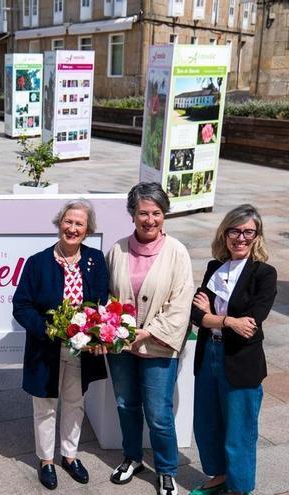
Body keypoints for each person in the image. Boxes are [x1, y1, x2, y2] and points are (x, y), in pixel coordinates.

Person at [97, 182, 195, 495]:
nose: (149, 219)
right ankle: (132, 458)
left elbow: (181, 302)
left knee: (159, 414)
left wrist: (149, 331)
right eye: (143, 213)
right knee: (126, 404)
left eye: (156, 213)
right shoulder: (118, 249)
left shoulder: (177, 252)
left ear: (164, 215)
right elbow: (107, 295)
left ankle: (166, 470)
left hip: (158, 345)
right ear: (132, 215)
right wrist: (113, 327)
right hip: (122, 345)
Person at [12, 199, 109, 491]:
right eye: (68, 221)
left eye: (79, 224)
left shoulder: (95, 259)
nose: (73, 228)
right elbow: (21, 306)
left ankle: (69, 455)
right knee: (45, 406)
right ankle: (46, 460)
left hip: (81, 349)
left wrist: (96, 333)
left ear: (87, 230)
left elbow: (101, 301)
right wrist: (47, 329)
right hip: (47, 348)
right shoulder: (38, 262)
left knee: (75, 402)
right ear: (59, 223)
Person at [189, 204, 278, 495]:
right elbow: (195, 314)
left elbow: (250, 324)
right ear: (224, 234)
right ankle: (220, 476)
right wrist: (228, 320)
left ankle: (240, 488)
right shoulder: (215, 267)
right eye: (235, 231)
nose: (241, 238)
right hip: (209, 355)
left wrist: (212, 316)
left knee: (239, 430)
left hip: (240, 360)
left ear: (257, 236)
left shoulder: (264, 274)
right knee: (207, 422)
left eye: (248, 232)